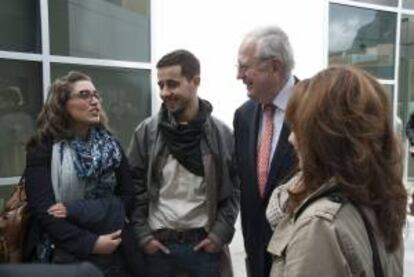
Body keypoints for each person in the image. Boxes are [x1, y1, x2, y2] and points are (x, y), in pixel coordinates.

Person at [267, 66, 406, 276]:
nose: (291, 139)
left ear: (325, 137)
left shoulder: (320, 226)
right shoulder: (379, 199)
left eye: (299, 128)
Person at [128, 49, 240, 276]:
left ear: (195, 81)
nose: (165, 92)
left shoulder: (222, 134)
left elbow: (234, 190)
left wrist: (218, 235)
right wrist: (143, 236)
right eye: (160, 85)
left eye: (172, 84)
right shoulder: (147, 131)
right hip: (159, 246)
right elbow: (133, 186)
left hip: (203, 247)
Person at [24, 71, 137, 277]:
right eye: (84, 95)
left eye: (96, 95)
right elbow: (45, 212)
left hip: (112, 248)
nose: (94, 101)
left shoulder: (111, 145)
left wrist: (95, 220)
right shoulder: (43, 147)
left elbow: (127, 196)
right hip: (62, 254)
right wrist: (91, 243)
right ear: (62, 104)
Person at [233, 25, 297, 277]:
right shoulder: (244, 115)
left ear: (275, 66)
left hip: (299, 250)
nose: (238, 75)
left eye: (244, 66)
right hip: (256, 253)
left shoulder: (314, 107)